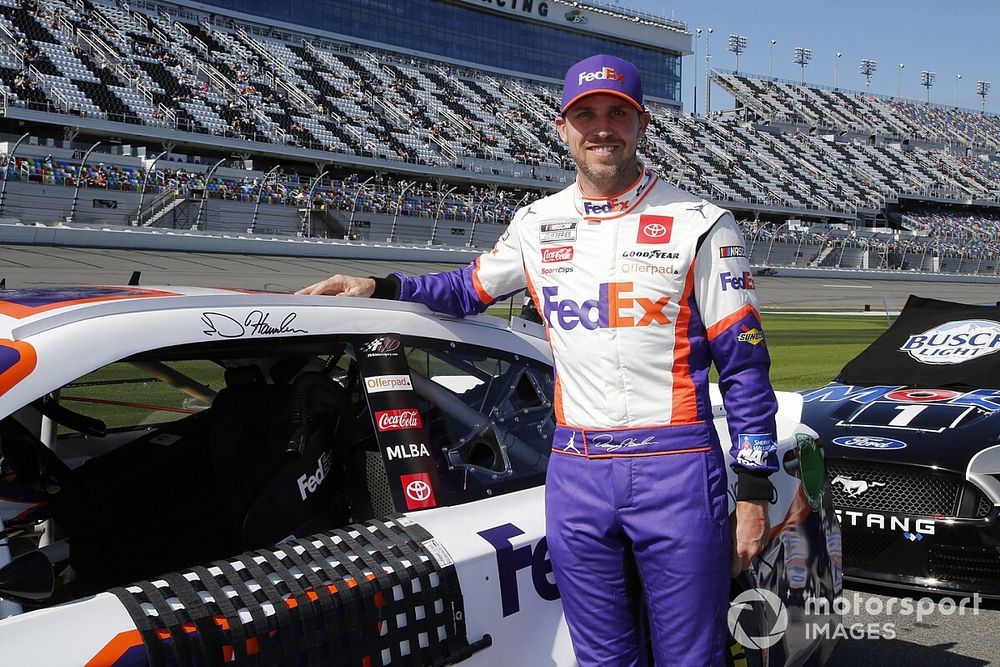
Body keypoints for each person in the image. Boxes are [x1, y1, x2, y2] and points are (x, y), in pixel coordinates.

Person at [297, 54, 778, 666]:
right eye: (586, 115)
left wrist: (754, 491)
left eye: (616, 113)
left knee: (692, 657)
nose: (601, 128)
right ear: (562, 127)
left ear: (641, 124)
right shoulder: (537, 224)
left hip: (676, 465)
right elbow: (466, 289)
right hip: (576, 470)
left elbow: (745, 367)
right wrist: (380, 285)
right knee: (600, 656)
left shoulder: (702, 223)